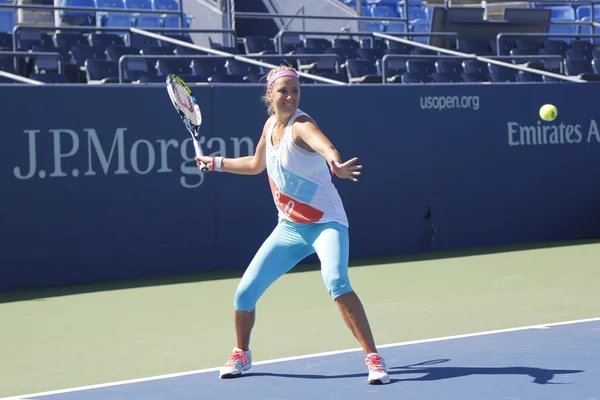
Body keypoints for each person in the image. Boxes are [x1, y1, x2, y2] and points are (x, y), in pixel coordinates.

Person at [195, 65, 390, 385]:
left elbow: (323, 144)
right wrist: (216, 163)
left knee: (337, 281)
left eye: (295, 91)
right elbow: (257, 164)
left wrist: (334, 162)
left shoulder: (301, 125)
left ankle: (373, 357)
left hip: (326, 223)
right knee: (244, 293)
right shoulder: (270, 125)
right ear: (269, 95)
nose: (290, 96)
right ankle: (241, 353)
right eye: (283, 91)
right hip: (289, 227)